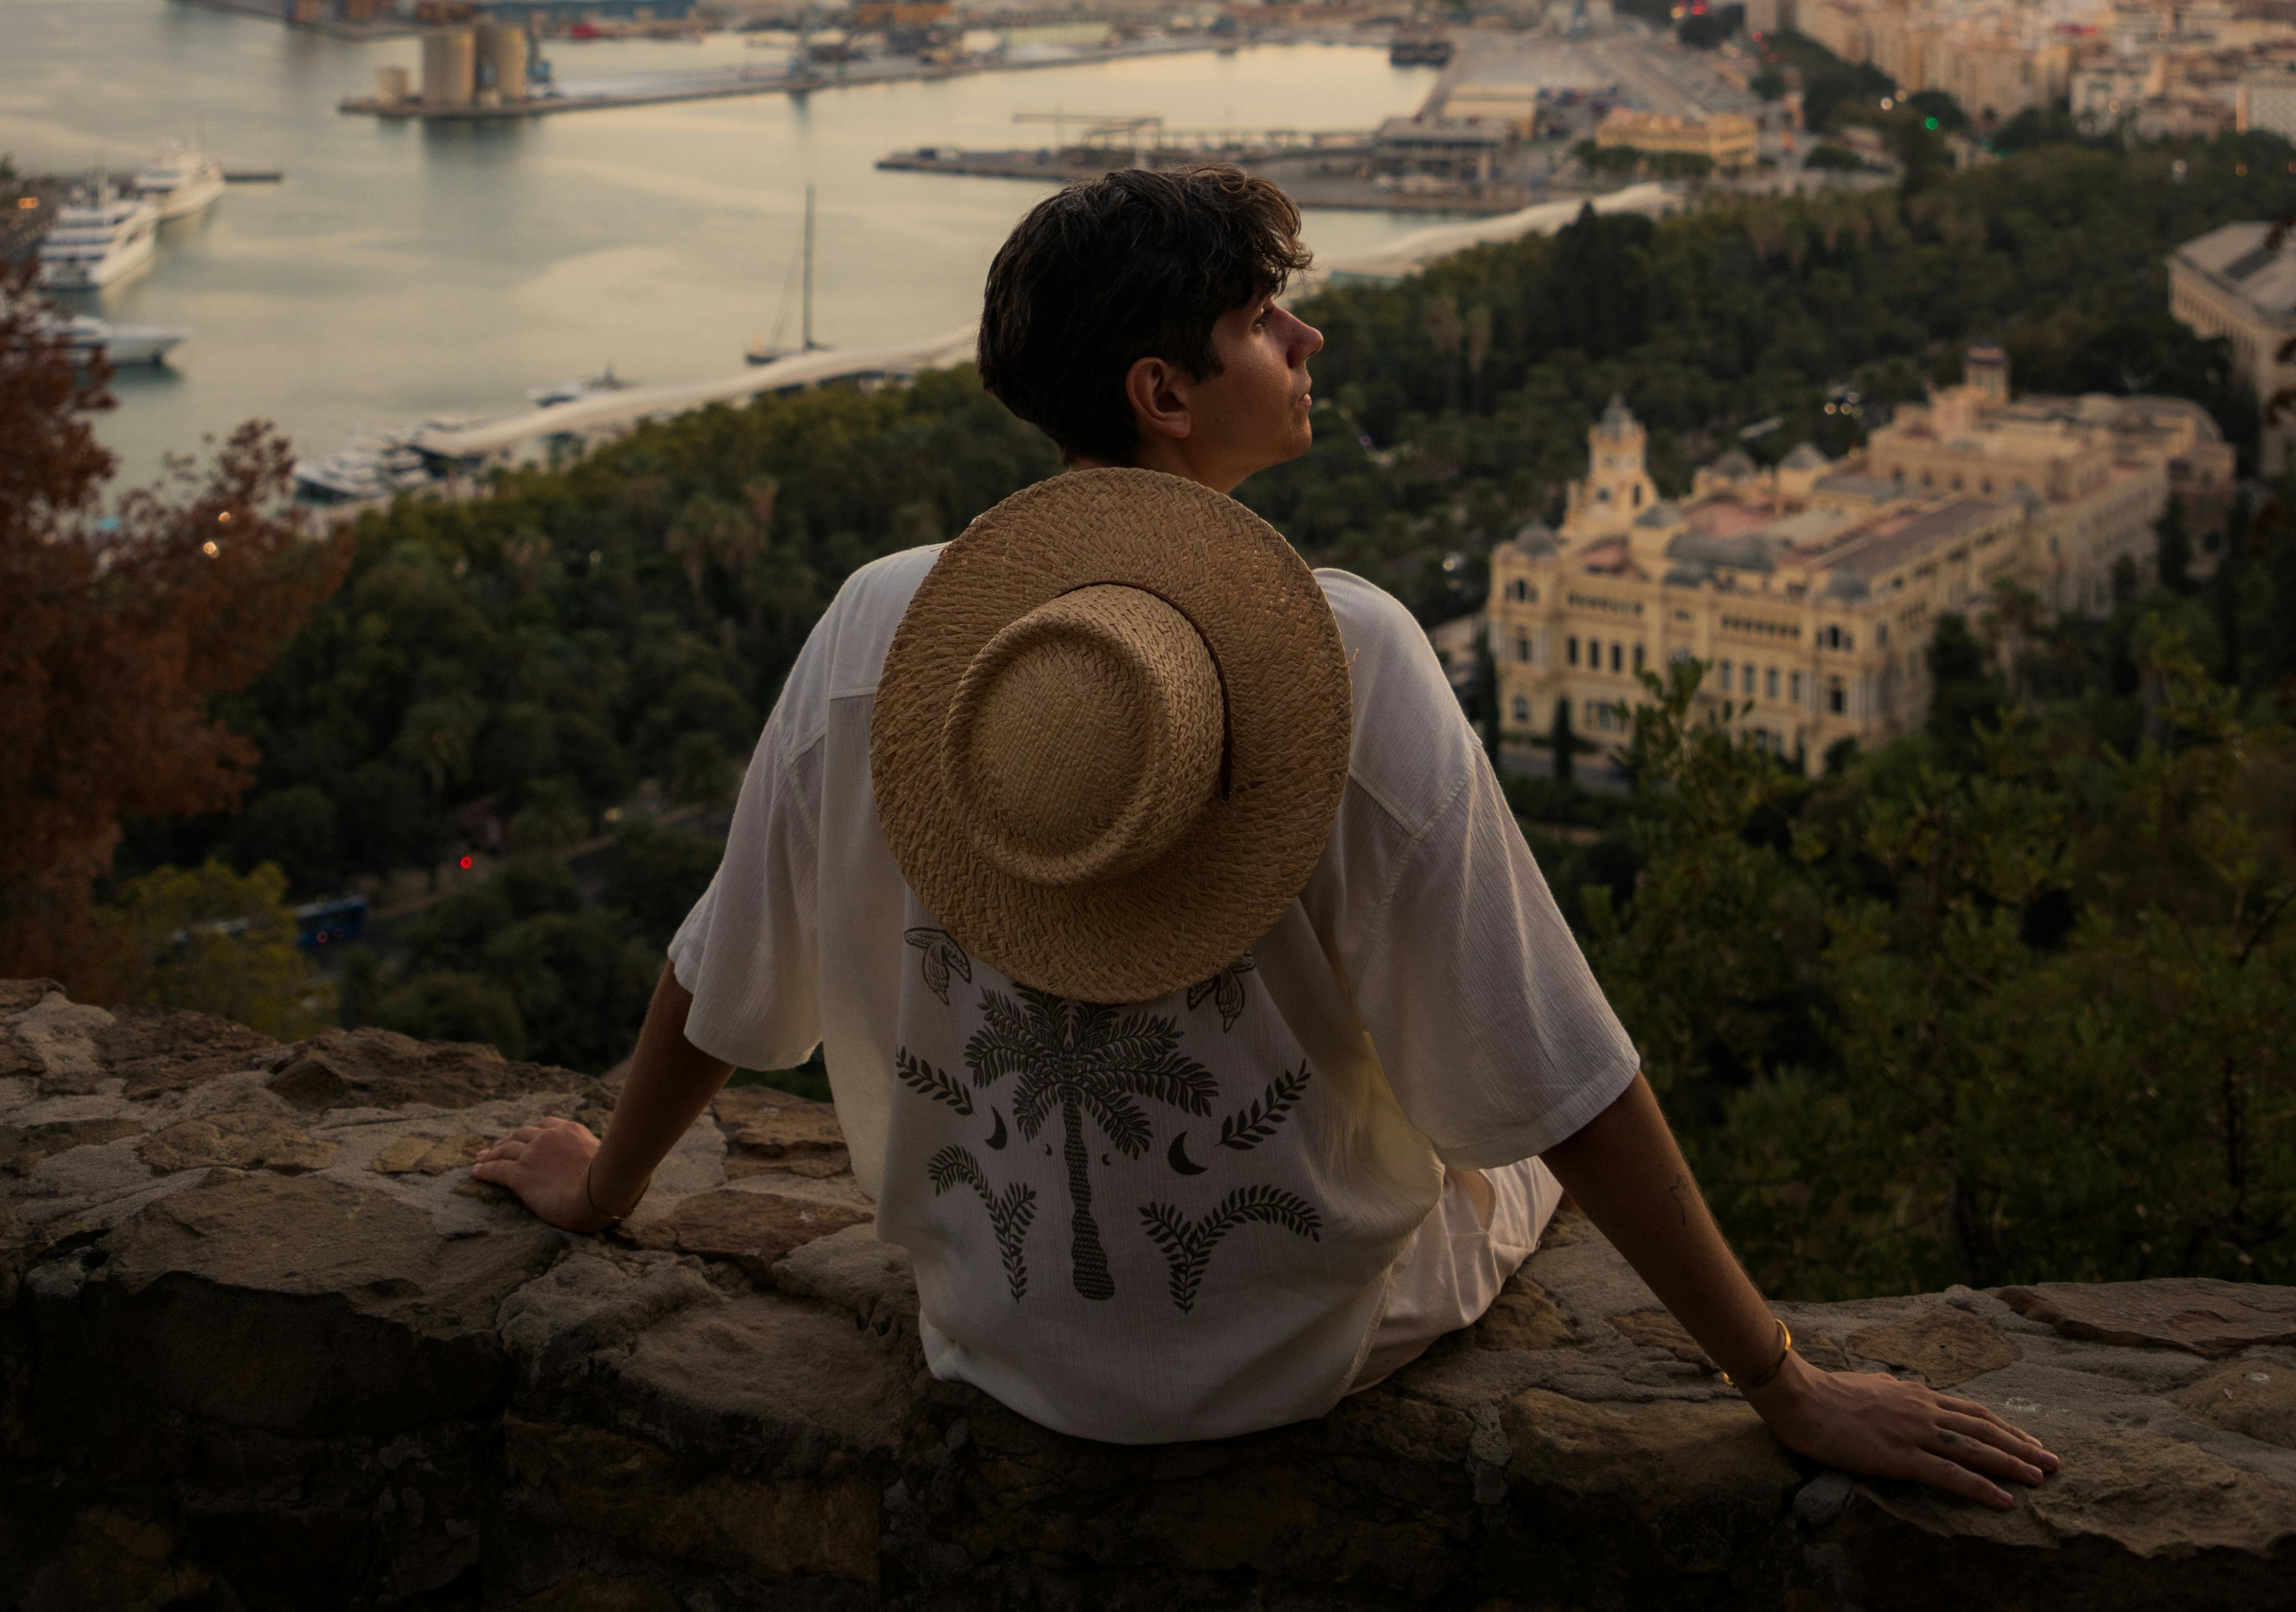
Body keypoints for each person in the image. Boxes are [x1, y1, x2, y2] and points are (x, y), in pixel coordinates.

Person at [476, 168, 2058, 1498]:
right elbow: (1565, 1079)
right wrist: (1780, 1385)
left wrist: (608, 1192)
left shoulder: (879, 628)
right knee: (1500, 1158)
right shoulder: (1344, 654)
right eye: (1259, 319)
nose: (1310, 335)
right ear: (1163, 395)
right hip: (1294, 1361)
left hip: (997, 1337)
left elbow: (720, 964)